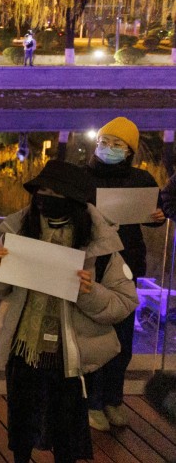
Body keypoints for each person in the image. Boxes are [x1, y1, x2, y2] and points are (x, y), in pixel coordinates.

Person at [0, 160, 138, 463]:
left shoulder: (100, 246)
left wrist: (89, 292)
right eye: (41, 191)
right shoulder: (18, 231)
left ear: (74, 200)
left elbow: (125, 302)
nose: (45, 198)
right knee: (22, 420)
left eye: (55, 192)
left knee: (66, 428)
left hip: (71, 353)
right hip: (22, 346)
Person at [84, 118, 166, 431]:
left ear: (130, 150)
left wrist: (158, 216)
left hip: (127, 265)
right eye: (104, 141)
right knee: (92, 337)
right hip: (91, 265)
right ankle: (91, 401)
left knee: (123, 339)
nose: (109, 148)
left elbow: (156, 212)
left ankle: (113, 398)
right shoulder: (81, 176)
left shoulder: (141, 179)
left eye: (118, 144)